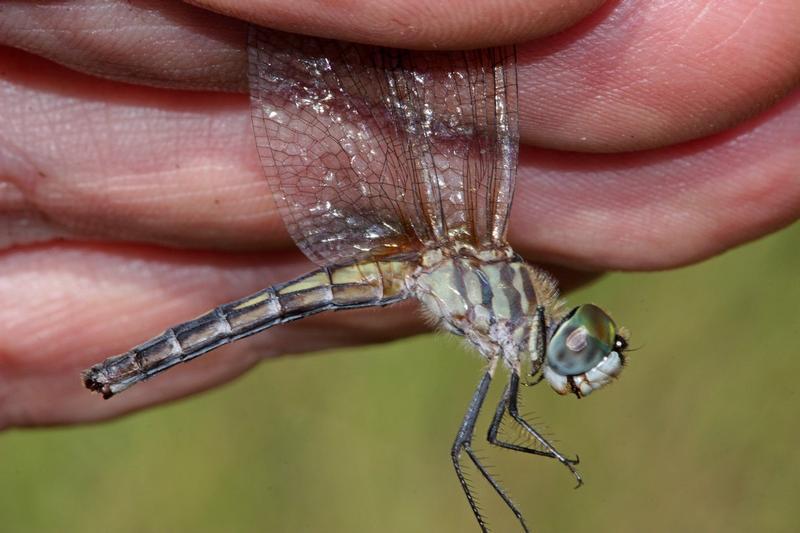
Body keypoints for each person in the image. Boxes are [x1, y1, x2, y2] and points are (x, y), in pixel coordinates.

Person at [0, 0, 797, 427]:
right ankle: (126, 367)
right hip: (415, 253)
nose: (583, 351)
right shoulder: (501, 294)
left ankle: (116, 371)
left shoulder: (508, 321)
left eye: (582, 348)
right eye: (585, 346)